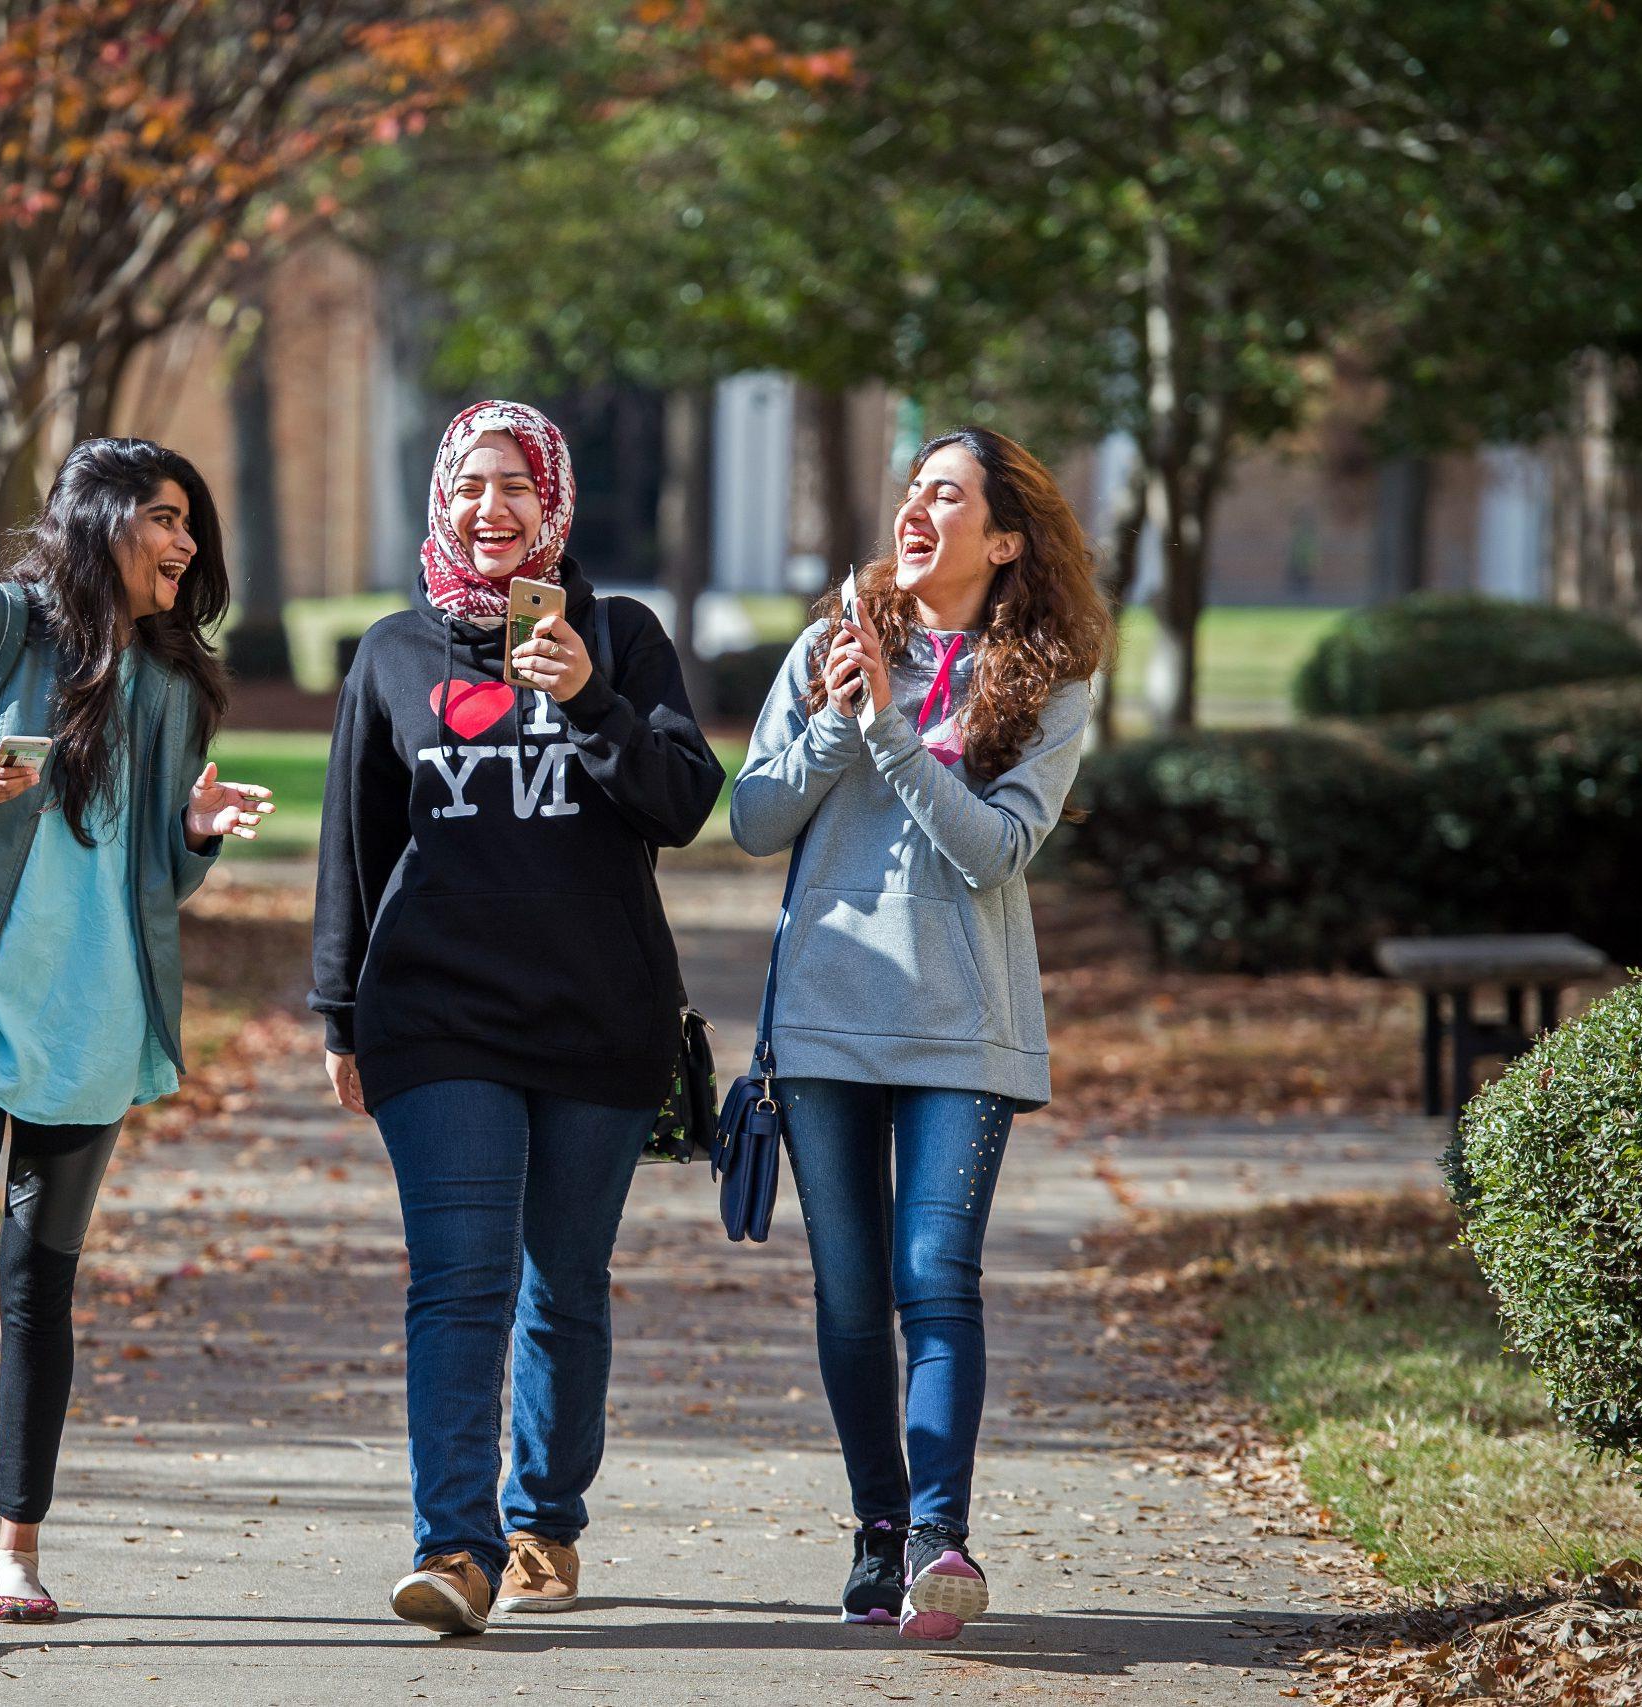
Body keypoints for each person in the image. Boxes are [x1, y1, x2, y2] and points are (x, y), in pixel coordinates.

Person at [0, 438, 275, 1636]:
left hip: (94, 1014)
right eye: (167, 519)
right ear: (103, 521)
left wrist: (195, 826)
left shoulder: (176, 682)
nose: (186, 544)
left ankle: (16, 1556)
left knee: (41, 1288)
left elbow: (151, 881)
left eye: (194, 524)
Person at [310, 399, 725, 1636]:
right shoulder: (392, 652)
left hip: (599, 1019)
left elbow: (681, 804)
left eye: (516, 487)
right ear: (442, 499)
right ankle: (454, 1547)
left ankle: (544, 1516)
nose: (492, 509)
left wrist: (593, 698)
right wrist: (340, 1015)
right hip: (436, 1019)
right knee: (457, 1280)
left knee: (565, 1283)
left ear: (552, 500)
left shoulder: (623, 637)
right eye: (471, 486)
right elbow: (355, 845)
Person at [729, 426, 1111, 1640]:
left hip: (962, 1027)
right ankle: (877, 1536)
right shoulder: (827, 647)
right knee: (849, 1298)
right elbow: (749, 818)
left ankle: (943, 1541)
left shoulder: (1046, 680)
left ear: (1001, 540)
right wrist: (846, 711)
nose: (917, 508)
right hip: (828, 1022)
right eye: (911, 489)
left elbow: (997, 849)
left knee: (933, 1281)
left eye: (946, 494)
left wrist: (892, 731)